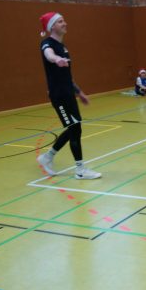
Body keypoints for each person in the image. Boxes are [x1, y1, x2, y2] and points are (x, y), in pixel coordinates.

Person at [35, 12, 101, 179]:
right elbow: (48, 54)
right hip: (59, 96)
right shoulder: (47, 44)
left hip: (68, 94)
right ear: (52, 27)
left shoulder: (63, 47)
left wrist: (79, 92)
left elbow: (67, 77)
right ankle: (80, 170)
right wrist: (55, 59)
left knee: (74, 128)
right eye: (60, 21)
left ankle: (47, 157)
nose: (65, 23)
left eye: (64, 20)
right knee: (75, 128)